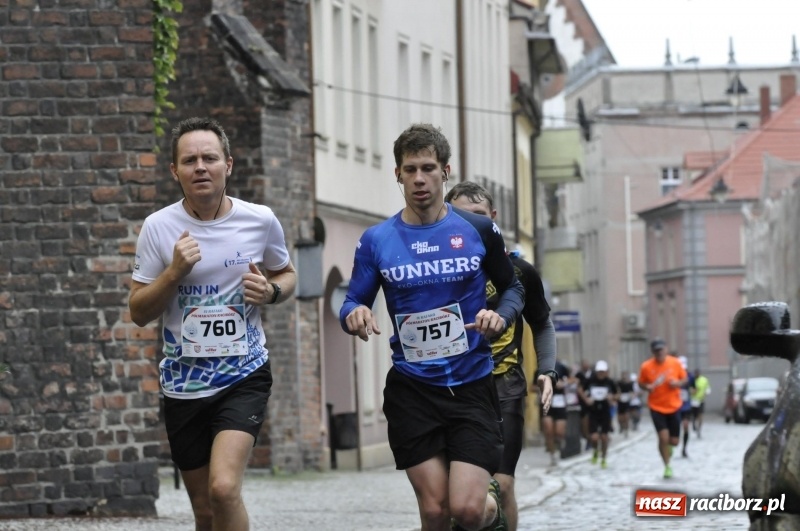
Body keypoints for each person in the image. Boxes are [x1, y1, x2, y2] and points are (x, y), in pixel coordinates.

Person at [339, 124, 543, 531]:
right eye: (410, 169)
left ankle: (493, 511)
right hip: (413, 389)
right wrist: (354, 316)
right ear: (397, 174)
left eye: (428, 168)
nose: (419, 178)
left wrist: (499, 315)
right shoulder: (377, 240)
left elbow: (513, 289)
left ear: (445, 171)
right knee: (434, 512)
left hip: (471, 386)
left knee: (466, 512)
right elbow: (352, 300)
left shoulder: (478, 230)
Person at [129, 117, 297, 531]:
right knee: (205, 510)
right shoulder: (158, 228)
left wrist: (271, 292)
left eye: (209, 158)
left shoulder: (259, 220)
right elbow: (138, 311)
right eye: (189, 160)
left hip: (244, 373)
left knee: (224, 489)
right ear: (175, 171)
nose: (200, 167)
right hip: (184, 384)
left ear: (228, 165)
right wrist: (173, 273)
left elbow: (288, 274)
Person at [445, 181, 558, 531]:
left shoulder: (519, 271)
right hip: (453, 388)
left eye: (479, 216)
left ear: (493, 219)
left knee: (503, 484)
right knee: (457, 497)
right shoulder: (441, 270)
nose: (472, 225)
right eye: (462, 217)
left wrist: (547, 371)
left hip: (504, 387)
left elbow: (542, 323)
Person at [638, 339, 688, 479]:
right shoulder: (646, 366)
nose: (659, 352)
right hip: (656, 406)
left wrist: (677, 383)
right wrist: (647, 387)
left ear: (666, 349)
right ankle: (667, 466)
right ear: (652, 352)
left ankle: (669, 448)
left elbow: (684, 379)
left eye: (661, 349)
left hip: (674, 406)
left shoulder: (675, 363)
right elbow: (641, 382)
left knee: (674, 441)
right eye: (656, 350)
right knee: (663, 437)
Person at [578, 360, 618, 469]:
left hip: (605, 411)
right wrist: (586, 399)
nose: (601, 373)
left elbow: (617, 394)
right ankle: (595, 450)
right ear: (596, 371)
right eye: (599, 371)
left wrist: (612, 398)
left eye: (603, 371)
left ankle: (604, 458)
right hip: (593, 411)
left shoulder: (610, 382)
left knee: (604, 437)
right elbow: (580, 389)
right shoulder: (590, 381)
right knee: (594, 437)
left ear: (606, 372)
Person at [540, 360, 571, 467]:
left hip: (559, 402)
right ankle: (553, 456)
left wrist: (563, 384)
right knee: (548, 431)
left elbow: (572, 379)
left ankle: (558, 445)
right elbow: (532, 387)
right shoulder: (540, 368)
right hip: (547, 402)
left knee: (559, 432)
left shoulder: (562, 367)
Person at [677, 355, 696, 457]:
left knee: (685, 426)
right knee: (674, 429)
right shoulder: (674, 375)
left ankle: (684, 449)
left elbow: (694, 388)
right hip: (674, 406)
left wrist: (691, 391)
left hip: (686, 406)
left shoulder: (690, 376)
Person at [575, 359, 594, 451]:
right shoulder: (579, 375)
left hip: (594, 402)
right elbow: (578, 388)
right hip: (583, 403)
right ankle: (588, 439)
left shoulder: (593, 374)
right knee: (584, 424)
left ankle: (591, 441)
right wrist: (585, 399)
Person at [691, 367, 711, 438]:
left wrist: (707, 393)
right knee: (694, 416)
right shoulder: (692, 380)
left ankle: (699, 429)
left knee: (701, 415)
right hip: (693, 401)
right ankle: (693, 423)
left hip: (701, 400)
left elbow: (708, 388)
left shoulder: (704, 380)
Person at [616, 371, 635, 437]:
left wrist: (631, 396)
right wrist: (618, 395)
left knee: (626, 416)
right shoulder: (618, 383)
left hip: (626, 401)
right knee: (620, 417)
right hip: (620, 401)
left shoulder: (629, 384)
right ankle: (621, 425)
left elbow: (632, 392)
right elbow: (617, 390)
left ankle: (626, 429)